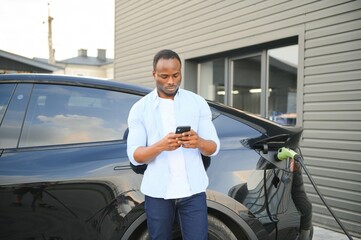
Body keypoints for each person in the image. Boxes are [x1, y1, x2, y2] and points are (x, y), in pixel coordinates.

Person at [127, 49, 220, 240]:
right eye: (164, 76)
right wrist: (160, 146)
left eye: (176, 75)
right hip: (157, 193)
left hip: (193, 191)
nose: (171, 81)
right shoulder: (140, 109)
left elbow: (213, 147)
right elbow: (135, 157)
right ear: (154, 75)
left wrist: (198, 142)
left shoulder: (197, 103)